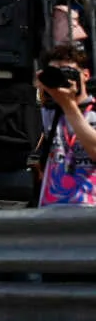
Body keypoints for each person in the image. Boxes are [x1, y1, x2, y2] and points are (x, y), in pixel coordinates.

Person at [37, 44, 96, 207]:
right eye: (55, 73)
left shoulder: (94, 111)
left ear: (85, 75)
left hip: (90, 211)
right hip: (49, 211)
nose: (61, 80)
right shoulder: (46, 113)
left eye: (67, 72)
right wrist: (37, 94)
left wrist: (68, 105)